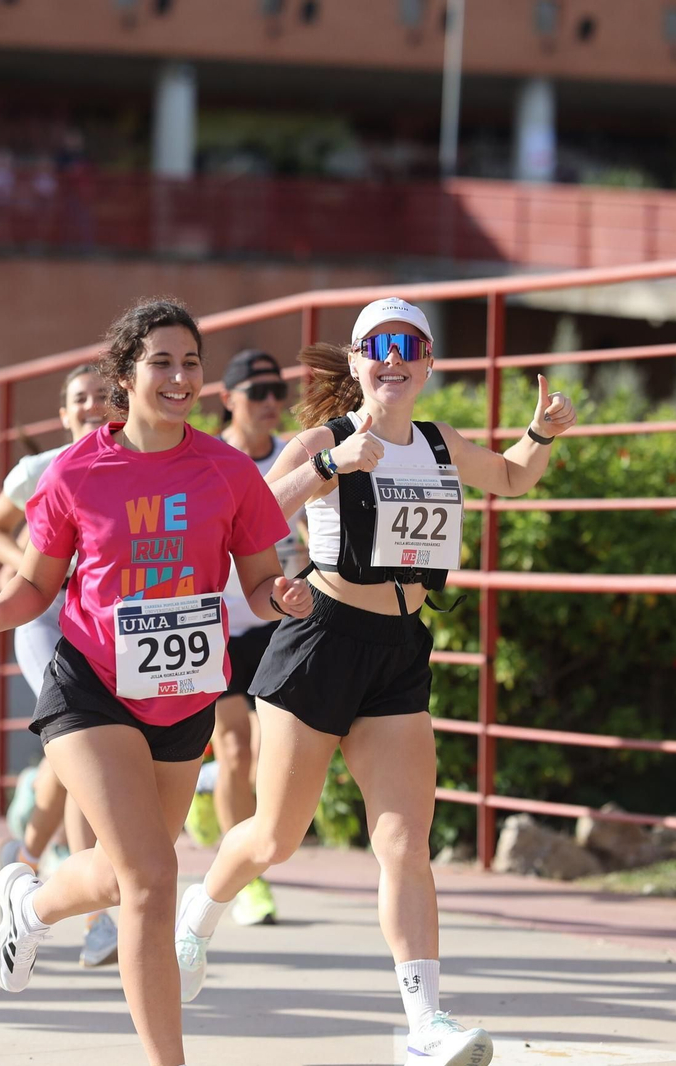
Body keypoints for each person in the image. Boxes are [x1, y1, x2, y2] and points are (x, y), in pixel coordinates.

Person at [173, 298, 578, 1066]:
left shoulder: (437, 442)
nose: (393, 358)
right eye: (377, 347)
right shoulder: (325, 439)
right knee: (276, 837)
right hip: (321, 642)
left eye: (409, 345)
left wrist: (541, 433)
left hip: (399, 649)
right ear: (358, 363)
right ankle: (196, 920)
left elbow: (513, 478)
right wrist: (332, 466)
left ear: (427, 364)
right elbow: (248, 514)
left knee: (404, 844)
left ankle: (426, 1024)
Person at [0, 298, 312, 1066]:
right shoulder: (74, 472)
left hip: (184, 694)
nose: (179, 377)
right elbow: (37, 587)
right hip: (91, 688)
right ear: (125, 375)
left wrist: (287, 598)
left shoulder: (228, 470)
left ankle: (29, 905)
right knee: (153, 876)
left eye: (190, 363)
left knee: (118, 876)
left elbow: (259, 584)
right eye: (161, 362)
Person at [0, 364, 120, 967]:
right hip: (41, 619)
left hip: (101, 621)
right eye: (78, 400)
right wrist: (36, 567)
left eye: (99, 397)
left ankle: (25, 855)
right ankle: (98, 920)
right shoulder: (39, 470)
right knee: (79, 740)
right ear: (63, 415)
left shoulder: (128, 460)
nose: (90, 407)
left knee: (68, 757)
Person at [182, 349, 304, 929]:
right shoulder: (210, 461)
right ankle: (247, 885)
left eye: (277, 391)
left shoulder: (296, 456)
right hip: (219, 620)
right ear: (227, 399)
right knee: (234, 746)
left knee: (269, 750)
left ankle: (210, 802)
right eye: (257, 393)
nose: (271, 403)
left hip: (277, 616)